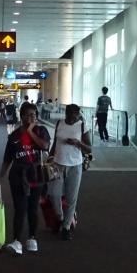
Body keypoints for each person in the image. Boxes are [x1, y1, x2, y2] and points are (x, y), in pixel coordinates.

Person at [0, 101, 52, 255]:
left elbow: (44, 146)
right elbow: (7, 158)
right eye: (28, 115)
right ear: (21, 117)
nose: (31, 118)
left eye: (33, 115)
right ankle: (16, 241)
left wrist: (30, 132)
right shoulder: (14, 136)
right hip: (18, 175)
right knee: (20, 208)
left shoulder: (41, 131)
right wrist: (1, 176)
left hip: (36, 174)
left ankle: (32, 238)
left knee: (33, 208)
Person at [49, 103, 91, 241]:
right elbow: (55, 143)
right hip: (58, 164)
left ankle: (66, 227)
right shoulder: (59, 123)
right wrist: (50, 157)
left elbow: (89, 148)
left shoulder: (82, 126)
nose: (73, 119)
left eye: (76, 116)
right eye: (71, 116)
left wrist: (77, 143)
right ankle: (61, 217)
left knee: (71, 198)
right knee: (54, 194)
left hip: (75, 166)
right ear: (66, 114)